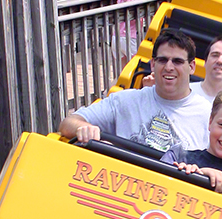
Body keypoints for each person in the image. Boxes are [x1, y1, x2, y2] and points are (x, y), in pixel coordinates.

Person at [59, 29, 211, 153]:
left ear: (191, 67)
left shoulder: (208, 114)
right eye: (162, 60)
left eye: (177, 61)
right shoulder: (125, 101)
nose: (169, 67)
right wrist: (84, 129)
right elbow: (68, 123)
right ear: (152, 64)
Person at [116, 0, 153, 69]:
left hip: (116, 37)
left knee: (123, 69)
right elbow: (149, 10)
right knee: (136, 67)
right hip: (130, 38)